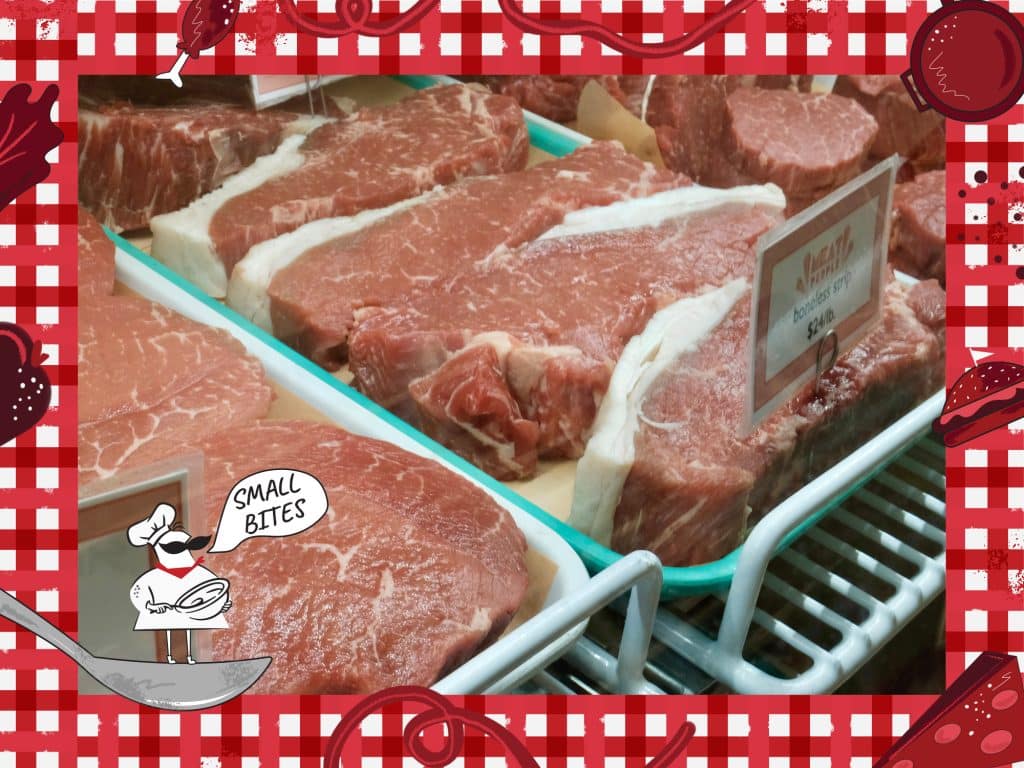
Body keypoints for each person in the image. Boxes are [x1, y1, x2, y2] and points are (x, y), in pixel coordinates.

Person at [127, 503, 230, 664]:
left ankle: (189, 657)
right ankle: (169, 658)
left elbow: (214, 587)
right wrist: (150, 606)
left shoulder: (196, 573)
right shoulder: (155, 578)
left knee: (189, 627)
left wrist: (222, 603)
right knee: (169, 629)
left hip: (195, 613)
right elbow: (137, 592)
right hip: (163, 610)